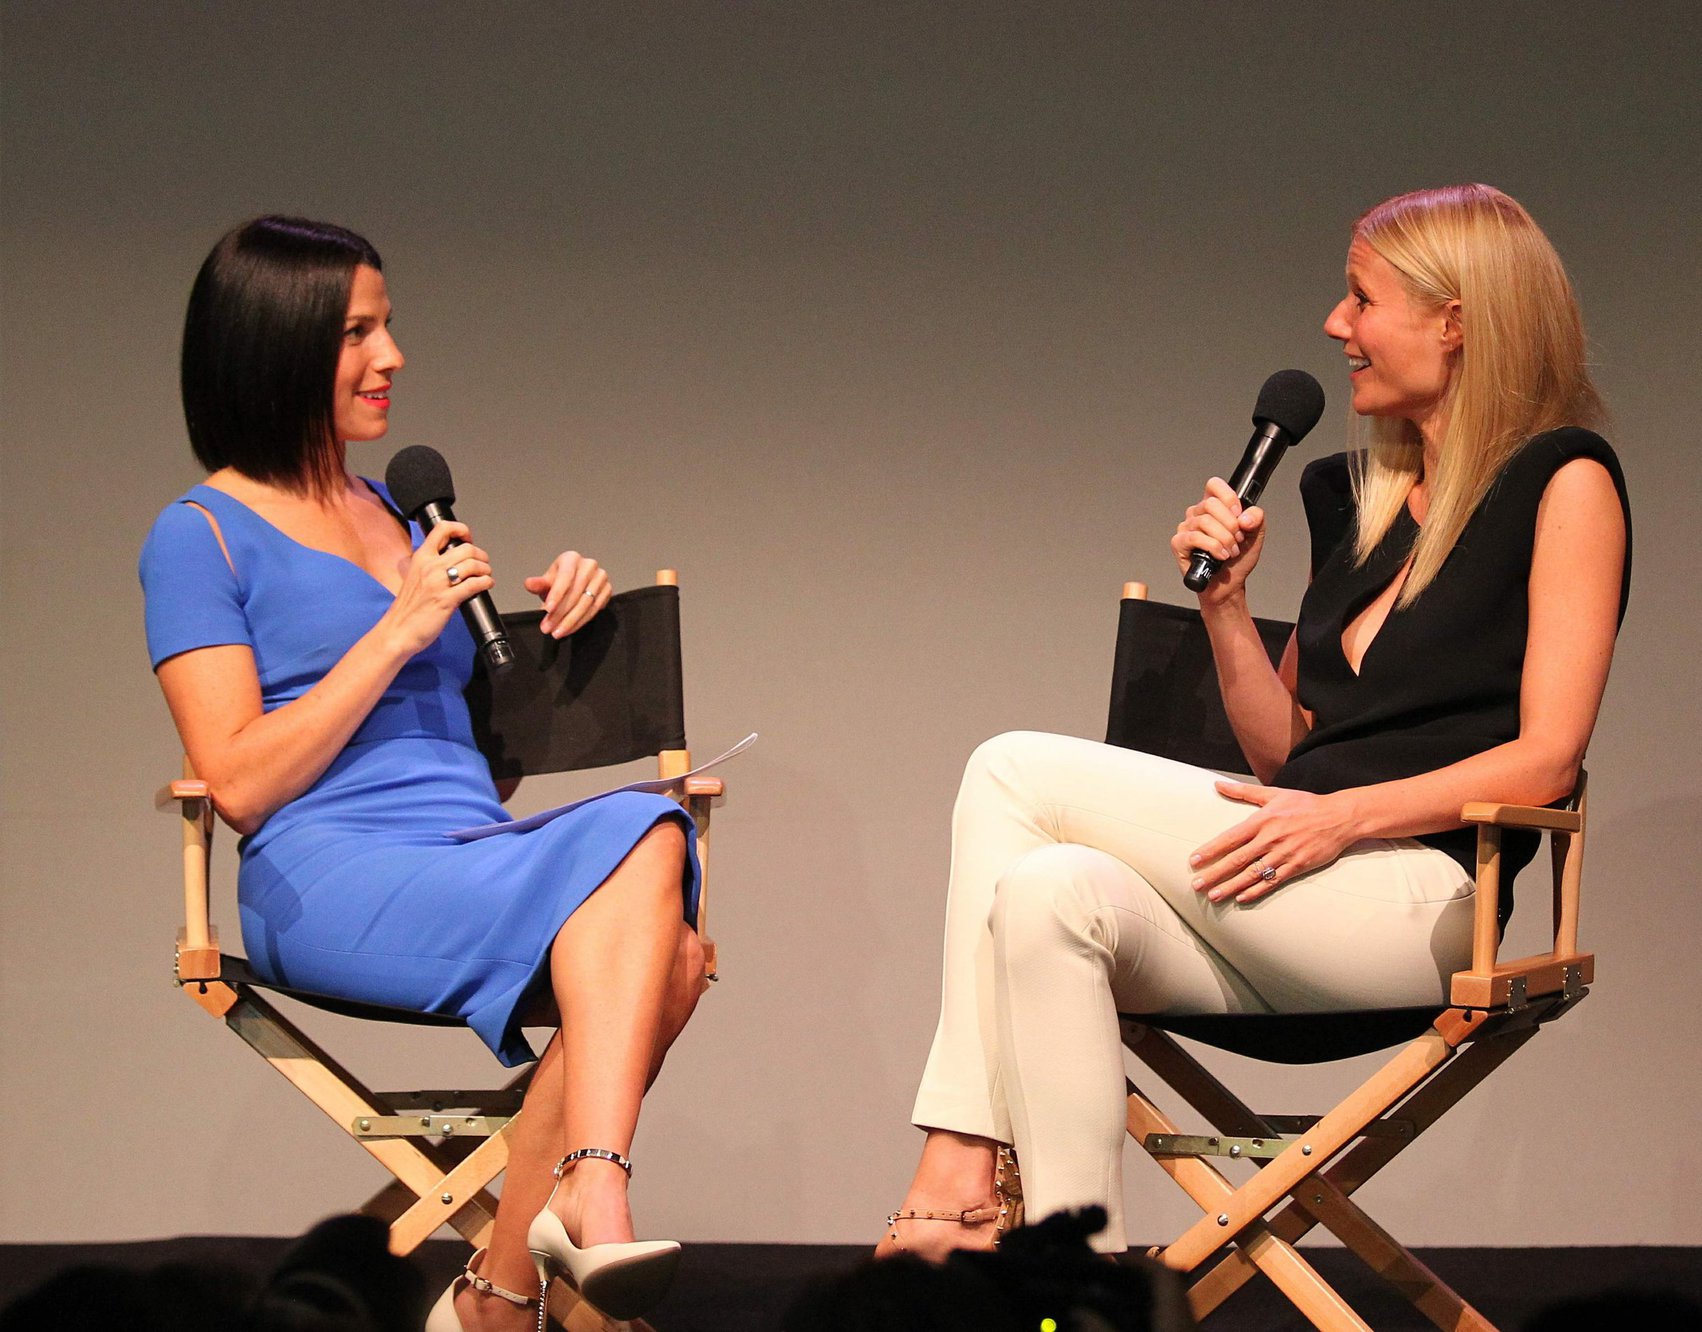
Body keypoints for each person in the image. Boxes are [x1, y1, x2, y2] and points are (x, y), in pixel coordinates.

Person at [879, 184, 1631, 1259]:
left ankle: (953, 1168)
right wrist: (1224, 604)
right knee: (1045, 895)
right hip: (1296, 893)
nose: (1335, 326)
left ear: (1455, 321)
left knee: (1009, 769)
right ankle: (1075, 1280)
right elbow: (1287, 751)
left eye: (1360, 299)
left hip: (1428, 899)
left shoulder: (1564, 480)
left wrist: (1340, 820)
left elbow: (1548, 758)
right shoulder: (1349, 491)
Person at [139, 217, 704, 1330]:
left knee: (667, 896)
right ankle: (557, 1233)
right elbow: (241, 782)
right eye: (358, 332)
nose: (392, 356)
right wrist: (397, 630)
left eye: (387, 326)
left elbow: (468, 755)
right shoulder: (196, 534)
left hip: (470, 850)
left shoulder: (402, 511)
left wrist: (563, 624)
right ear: (274, 347)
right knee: (659, 900)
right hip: (331, 876)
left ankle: (513, 1275)